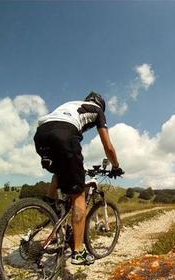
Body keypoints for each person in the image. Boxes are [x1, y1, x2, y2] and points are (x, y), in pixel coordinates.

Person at [33, 91, 123, 265]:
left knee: (60, 171)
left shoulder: (72, 104)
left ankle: (50, 207)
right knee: (78, 194)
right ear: (100, 104)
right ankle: (79, 252)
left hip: (41, 134)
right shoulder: (97, 110)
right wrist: (116, 166)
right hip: (64, 134)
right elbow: (108, 147)